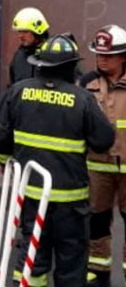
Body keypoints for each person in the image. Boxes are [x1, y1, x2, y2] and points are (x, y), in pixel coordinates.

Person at [0, 33, 115, 287]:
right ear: (71, 67)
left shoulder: (17, 91)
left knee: (33, 258)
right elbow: (103, 140)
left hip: (31, 196)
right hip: (70, 202)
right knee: (71, 264)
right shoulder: (82, 99)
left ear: (40, 64)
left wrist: (5, 162)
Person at [80, 25, 126, 287]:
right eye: (98, 54)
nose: (102, 59)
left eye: (108, 55)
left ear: (123, 56)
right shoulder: (87, 83)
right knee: (96, 224)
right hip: (98, 167)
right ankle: (98, 276)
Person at [8, 7, 50, 86]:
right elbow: (12, 88)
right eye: (19, 31)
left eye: (25, 31)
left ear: (38, 32)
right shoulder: (18, 56)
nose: (20, 36)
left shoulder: (55, 55)